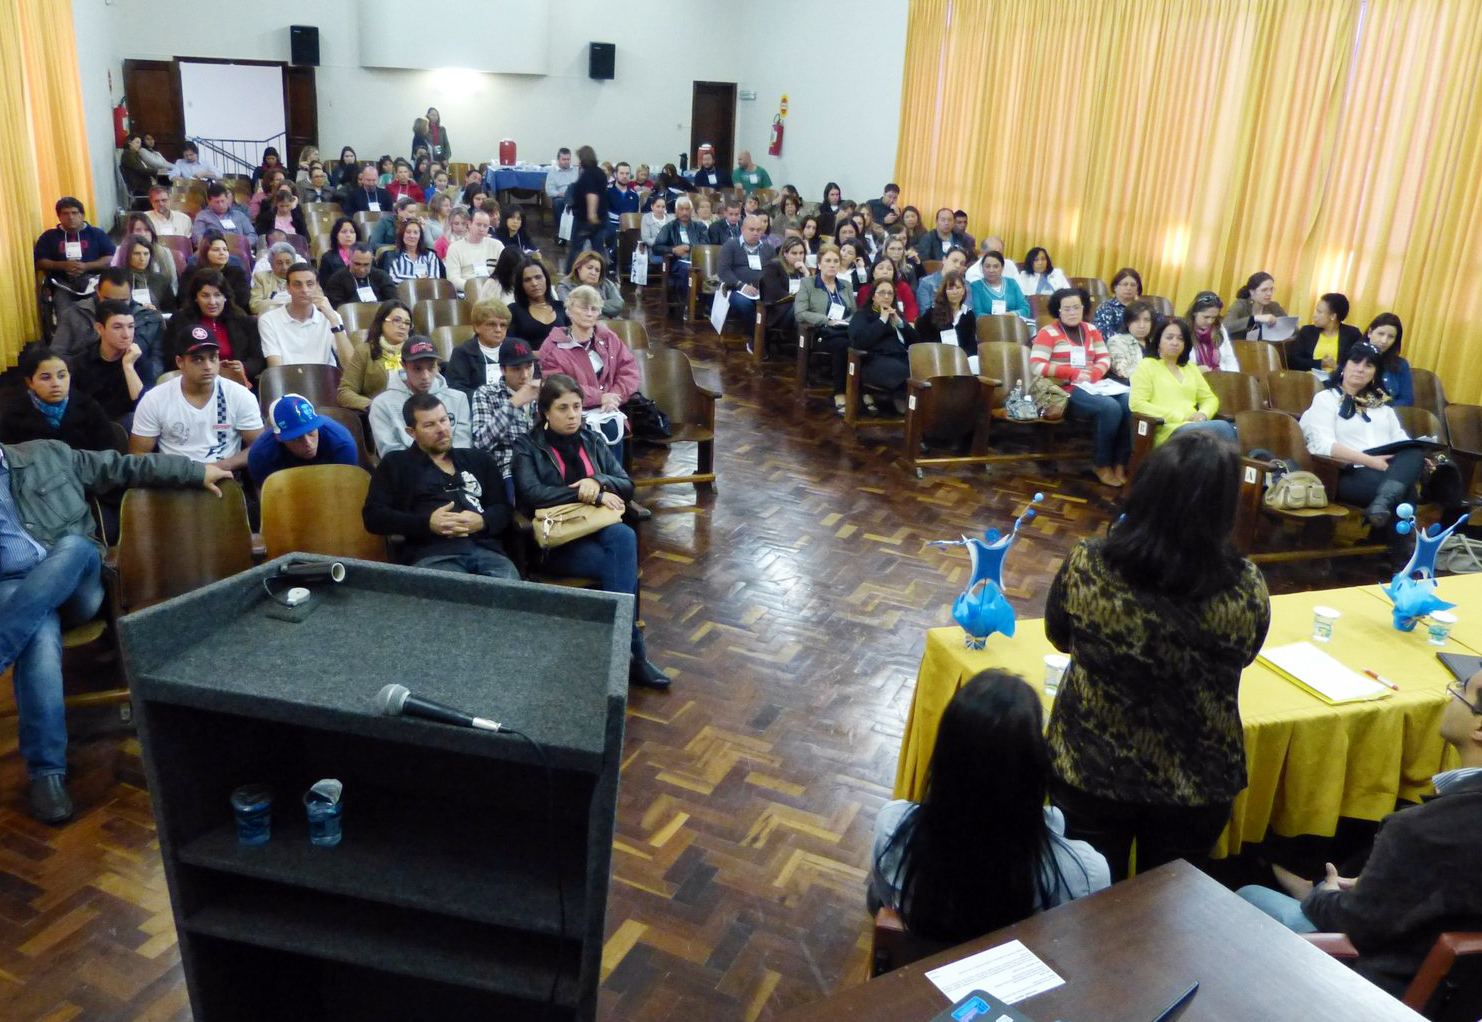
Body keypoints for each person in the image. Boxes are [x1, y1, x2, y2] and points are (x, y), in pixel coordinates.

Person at [1045, 429, 1268, 880]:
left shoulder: (1088, 565)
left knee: (1086, 903)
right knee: (1165, 916)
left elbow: (1059, 637)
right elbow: (1244, 656)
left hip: (1090, 766)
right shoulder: (1245, 586)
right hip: (1197, 779)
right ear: (1224, 510)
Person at [0, 431, 232, 821]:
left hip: (77, 581)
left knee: (73, 546)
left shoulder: (47, 453)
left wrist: (192, 471)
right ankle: (47, 773)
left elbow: (125, 466)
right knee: (38, 636)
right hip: (13, 588)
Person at [1236, 667, 1482, 998]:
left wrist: (1324, 896)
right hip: (1462, 995)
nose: (1451, 695)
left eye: (1462, 691)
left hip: (1377, 990)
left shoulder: (1420, 831)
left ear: (1478, 728)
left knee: (1249, 895)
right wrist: (1381, 885)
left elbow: (1356, 924)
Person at [870, 669, 1110, 942]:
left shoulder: (891, 829)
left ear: (945, 759)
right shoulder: (1087, 873)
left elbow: (888, 901)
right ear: (1035, 768)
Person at [512, 375, 670, 689]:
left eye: (577, 406)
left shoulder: (591, 439)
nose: (572, 415)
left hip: (597, 534)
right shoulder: (527, 446)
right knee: (620, 562)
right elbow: (532, 495)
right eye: (563, 408)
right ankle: (634, 652)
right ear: (545, 412)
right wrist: (589, 494)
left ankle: (620, 650)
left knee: (623, 537)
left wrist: (599, 480)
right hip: (556, 543)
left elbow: (626, 484)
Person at [365, 391, 519, 579]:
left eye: (444, 420)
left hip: (486, 551)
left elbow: (504, 508)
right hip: (432, 555)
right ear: (411, 432)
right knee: (453, 596)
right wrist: (426, 524)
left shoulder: (479, 460)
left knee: (512, 595)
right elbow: (373, 517)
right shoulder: (396, 464)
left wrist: (483, 521)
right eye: (430, 425)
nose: (442, 429)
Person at [1299, 342, 1424, 528]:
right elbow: (1324, 446)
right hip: (1345, 472)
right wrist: (1369, 461)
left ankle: (1382, 507)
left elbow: (1400, 439)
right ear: (1343, 366)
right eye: (1355, 362)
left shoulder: (1382, 408)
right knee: (1407, 493)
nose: (1360, 369)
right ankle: (1392, 546)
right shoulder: (1326, 399)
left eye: (1368, 365)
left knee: (1415, 452)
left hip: (1385, 470)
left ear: (1375, 373)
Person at [1032, 287, 1129, 487]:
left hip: (1095, 385)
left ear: (1083, 308)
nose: (1072, 312)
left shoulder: (1091, 330)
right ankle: (1101, 464)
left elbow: (1104, 358)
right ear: (1057, 311)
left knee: (1128, 403)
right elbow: (1037, 365)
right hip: (1064, 389)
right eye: (1066, 309)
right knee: (1110, 408)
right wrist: (1073, 373)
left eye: (1076, 307)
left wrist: (1092, 375)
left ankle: (1120, 463)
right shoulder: (1048, 332)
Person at [129, 335, 264, 470]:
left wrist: (222, 466)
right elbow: (138, 454)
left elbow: (258, 447)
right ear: (180, 362)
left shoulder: (239, 395)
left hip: (224, 477)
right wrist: (183, 472)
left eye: (213, 358)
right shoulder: (154, 399)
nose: (208, 366)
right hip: (174, 480)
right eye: (198, 359)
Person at [1130, 318, 1236, 447]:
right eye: (1169, 338)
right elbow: (1137, 404)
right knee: (1223, 428)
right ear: (1158, 341)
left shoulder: (1190, 368)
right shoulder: (1147, 365)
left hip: (1195, 426)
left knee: (1225, 430)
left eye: (1180, 339)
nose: (1175, 343)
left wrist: (1203, 414)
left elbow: (1209, 399)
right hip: (1167, 429)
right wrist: (1178, 417)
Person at [369, 337, 472, 454]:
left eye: (431, 367)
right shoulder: (382, 404)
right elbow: (391, 455)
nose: (426, 376)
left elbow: (463, 448)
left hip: (453, 468)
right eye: (417, 369)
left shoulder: (458, 399)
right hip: (407, 470)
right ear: (403, 365)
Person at [0, 345, 114, 451]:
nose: (56, 383)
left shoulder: (89, 408)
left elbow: (108, 457)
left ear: (70, 376)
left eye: (61, 376)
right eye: (45, 378)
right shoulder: (14, 415)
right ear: (30, 382)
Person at [163, 270, 264, 387]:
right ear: (196, 298)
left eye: (217, 295)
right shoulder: (180, 321)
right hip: (193, 383)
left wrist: (243, 367)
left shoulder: (243, 320)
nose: (212, 302)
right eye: (205, 296)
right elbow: (171, 360)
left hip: (235, 383)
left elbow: (258, 359)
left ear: (225, 297)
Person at [471, 336, 542, 503]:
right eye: (517, 368)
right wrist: (514, 404)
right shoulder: (486, 394)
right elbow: (481, 443)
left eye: (529, 367)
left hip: (543, 464)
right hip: (508, 468)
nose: (525, 375)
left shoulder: (543, 391)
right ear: (503, 369)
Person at [246, 394, 358, 486]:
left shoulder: (342, 444)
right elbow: (267, 500)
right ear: (279, 437)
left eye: (311, 433)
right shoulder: (260, 455)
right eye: (296, 438)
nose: (308, 443)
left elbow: (347, 492)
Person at [67, 300, 152, 421]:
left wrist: (128, 367)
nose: (126, 334)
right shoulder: (80, 363)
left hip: (130, 428)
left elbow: (147, 409)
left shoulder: (139, 360)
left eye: (131, 327)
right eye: (117, 327)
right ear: (100, 328)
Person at [796, 244, 857, 410]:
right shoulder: (808, 283)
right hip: (821, 332)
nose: (832, 265)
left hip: (845, 330)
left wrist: (848, 321)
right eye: (828, 261)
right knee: (844, 345)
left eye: (836, 261)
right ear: (819, 264)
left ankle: (861, 391)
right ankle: (839, 393)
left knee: (859, 342)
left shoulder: (846, 285)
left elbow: (854, 312)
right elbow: (800, 313)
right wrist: (826, 320)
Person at [258, 263, 354, 368]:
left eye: (310, 284)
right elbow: (276, 368)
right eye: (297, 284)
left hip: (324, 379)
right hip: (287, 380)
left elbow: (350, 365)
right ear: (288, 288)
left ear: (317, 286)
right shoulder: (269, 320)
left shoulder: (331, 316)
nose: (304, 290)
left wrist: (333, 319)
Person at [35, 198, 116, 319]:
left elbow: (110, 257)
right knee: (65, 312)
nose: (70, 217)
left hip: (94, 281)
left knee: (100, 310)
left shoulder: (96, 234)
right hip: (62, 284)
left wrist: (86, 266)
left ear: (82, 215)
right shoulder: (49, 236)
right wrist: (62, 265)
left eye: (74, 213)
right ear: (59, 217)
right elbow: (40, 262)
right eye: (65, 213)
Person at [848, 280, 919, 411]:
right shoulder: (862, 315)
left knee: (922, 370)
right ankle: (904, 403)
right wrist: (882, 320)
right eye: (882, 293)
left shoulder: (896, 315)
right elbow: (859, 342)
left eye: (890, 293)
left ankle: (910, 405)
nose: (886, 296)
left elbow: (915, 342)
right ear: (874, 296)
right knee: (907, 372)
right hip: (874, 360)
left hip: (901, 357)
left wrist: (900, 323)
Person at [338, 300, 412, 411]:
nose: (403, 326)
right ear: (381, 322)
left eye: (407, 323)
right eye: (397, 320)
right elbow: (345, 393)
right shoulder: (364, 351)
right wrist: (375, 405)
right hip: (381, 416)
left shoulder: (416, 351)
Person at [444, 298, 512, 398]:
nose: (498, 330)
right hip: (477, 409)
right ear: (477, 327)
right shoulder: (463, 353)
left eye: (503, 325)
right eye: (492, 324)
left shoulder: (515, 349)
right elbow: (456, 390)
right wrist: (488, 399)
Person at [718, 215, 776, 322]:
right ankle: (755, 334)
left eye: (758, 230)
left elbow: (774, 272)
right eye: (751, 229)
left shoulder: (768, 248)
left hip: (763, 291)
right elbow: (723, 271)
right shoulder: (730, 245)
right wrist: (742, 287)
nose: (755, 233)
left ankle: (767, 332)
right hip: (737, 289)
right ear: (742, 230)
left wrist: (767, 288)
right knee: (743, 303)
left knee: (779, 303)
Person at [1290, 293, 1364, 376]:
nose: (1314, 315)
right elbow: (1294, 361)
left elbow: (1359, 363)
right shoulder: (1307, 331)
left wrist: (1336, 367)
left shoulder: (1352, 334)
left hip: (1337, 382)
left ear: (1332, 316)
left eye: (1319, 312)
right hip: (1309, 380)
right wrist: (1320, 363)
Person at [564, 146, 609, 273]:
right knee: (599, 250)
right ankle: (602, 276)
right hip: (601, 217)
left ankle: (569, 276)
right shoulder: (600, 172)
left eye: (580, 158)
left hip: (586, 220)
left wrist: (591, 215)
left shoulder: (588, 175)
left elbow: (592, 195)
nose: (579, 162)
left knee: (575, 250)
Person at [758, 237, 809, 346]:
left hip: (799, 308)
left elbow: (814, 293)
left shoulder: (801, 270)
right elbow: (774, 293)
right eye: (794, 253)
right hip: (780, 311)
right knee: (801, 308)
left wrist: (806, 274)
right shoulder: (773, 266)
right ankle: (803, 348)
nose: (798, 257)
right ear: (785, 254)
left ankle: (807, 347)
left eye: (801, 253)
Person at [445, 208, 504, 297]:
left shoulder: (497, 245)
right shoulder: (454, 248)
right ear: (469, 224)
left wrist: (490, 287)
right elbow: (453, 279)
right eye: (478, 224)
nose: (481, 229)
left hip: (494, 292)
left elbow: (506, 273)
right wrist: (475, 287)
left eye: (485, 226)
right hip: (467, 292)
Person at [183, 232, 251, 311]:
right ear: (205, 252)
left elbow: (243, 300)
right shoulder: (193, 272)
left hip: (230, 314)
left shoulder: (236, 272)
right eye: (216, 250)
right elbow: (185, 298)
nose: (222, 253)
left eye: (225, 250)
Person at [914, 270, 976, 356]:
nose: (955, 292)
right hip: (937, 357)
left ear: (963, 291)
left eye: (958, 288)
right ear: (944, 291)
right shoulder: (931, 314)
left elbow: (971, 345)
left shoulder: (969, 315)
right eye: (950, 289)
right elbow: (923, 340)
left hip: (963, 359)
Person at [510, 258, 570, 346]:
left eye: (538, 277)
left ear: (546, 279)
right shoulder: (513, 311)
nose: (534, 283)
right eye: (527, 280)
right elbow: (512, 346)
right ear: (520, 284)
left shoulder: (560, 307)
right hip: (529, 359)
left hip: (563, 358)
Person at [324, 243, 397, 308]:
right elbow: (338, 308)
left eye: (366, 265)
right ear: (349, 259)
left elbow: (393, 303)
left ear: (372, 260)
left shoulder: (382, 277)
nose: (362, 269)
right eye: (357, 264)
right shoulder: (337, 280)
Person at [556, 250, 625, 319]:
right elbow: (570, 308)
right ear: (578, 268)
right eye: (589, 268)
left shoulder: (607, 284)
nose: (593, 273)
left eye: (597, 270)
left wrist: (587, 304)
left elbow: (618, 305)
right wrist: (603, 309)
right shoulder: (564, 286)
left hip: (606, 325)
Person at [968, 250, 1031, 323]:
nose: (991, 270)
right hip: (987, 327)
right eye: (987, 266)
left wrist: (1012, 314)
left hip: (1013, 325)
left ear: (1002, 268)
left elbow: (1025, 309)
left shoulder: (1012, 283)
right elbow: (977, 313)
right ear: (982, 267)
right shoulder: (976, 286)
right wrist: (998, 319)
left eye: (996, 266)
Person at [1366, 313, 1414, 407]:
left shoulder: (1401, 364)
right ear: (1370, 332)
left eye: (1391, 337)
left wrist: (1381, 407)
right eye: (1381, 334)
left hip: (1387, 415)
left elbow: (1407, 400)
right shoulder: (1353, 358)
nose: (1384, 341)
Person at [118, 234, 176, 312]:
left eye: (146, 254)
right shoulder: (118, 280)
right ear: (127, 255)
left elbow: (170, 310)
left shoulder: (161, 280)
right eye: (137, 254)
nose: (142, 258)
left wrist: (155, 312)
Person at [378, 218, 445, 285]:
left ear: (420, 236)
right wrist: (419, 278)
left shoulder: (430, 255)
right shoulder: (392, 255)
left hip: (425, 293)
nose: (412, 236)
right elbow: (394, 278)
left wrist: (408, 279)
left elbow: (434, 279)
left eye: (416, 232)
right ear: (402, 234)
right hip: (401, 294)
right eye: (408, 232)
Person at [1104, 298, 1155, 385]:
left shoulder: (1156, 343)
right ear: (1127, 322)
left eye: (1146, 320)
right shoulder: (1116, 341)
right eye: (1136, 320)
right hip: (1128, 387)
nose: (1142, 325)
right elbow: (1122, 372)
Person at [1224, 271, 1288, 339]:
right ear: (1252, 291)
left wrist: (1278, 326)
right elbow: (1225, 327)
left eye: (1271, 289)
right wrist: (1254, 318)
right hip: (1239, 347)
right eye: (1264, 290)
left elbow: (1292, 329)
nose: (1269, 293)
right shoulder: (1240, 304)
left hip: (1264, 347)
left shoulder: (1274, 306)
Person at [1185, 291, 1238, 372]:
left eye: (1213, 317)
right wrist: (1195, 370)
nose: (1210, 321)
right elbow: (1178, 364)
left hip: (1220, 378)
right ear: (1194, 312)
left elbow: (1229, 359)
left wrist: (1232, 380)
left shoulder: (1220, 329)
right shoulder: (1183, 330)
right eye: (1206, 317)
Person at [190, 183, 256, 247]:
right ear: (209, 202)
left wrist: (242, 244)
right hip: (213, 249)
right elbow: (197, 237)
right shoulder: (203, 216)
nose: (221, 205)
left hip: (238, 249)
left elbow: (252, 235)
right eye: (217, 202)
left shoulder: (240, 216)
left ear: (227, 199)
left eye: (222, 201)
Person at [858, 256, 920, 323]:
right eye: (881, 268)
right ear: (873, 272)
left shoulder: (903, 287)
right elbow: (863, 313)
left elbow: (911, 308)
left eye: (889, 269)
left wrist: (906, 324)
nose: (885, 271)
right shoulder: (865, 290)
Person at [248, 241, 298, 315]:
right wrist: (280, 301)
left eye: (288, 262)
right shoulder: (261, 278)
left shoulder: (303, 277)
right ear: (271, 265)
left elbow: (317, 300)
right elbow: (254, 306)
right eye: (279, 263)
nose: (284, 267)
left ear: (294, 263)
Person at [1093, 268, 1142, 342]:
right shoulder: (1105, 308)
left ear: (1138, 289)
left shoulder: (1143, 309)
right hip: (1115, 349)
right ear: (1115, 287)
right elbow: (1107, 335)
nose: (1128, 288)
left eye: (1133, 285)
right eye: (1125, 284)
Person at [317, 218, 360, 287]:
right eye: (344, 232)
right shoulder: (328, 258)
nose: (348, 235)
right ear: (336, 235)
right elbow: (324, 284)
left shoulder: (365, 255)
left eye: (352, 232)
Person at [545, 147, 579, 234]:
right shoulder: (552, 172)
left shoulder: (576, 171)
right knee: (558, 203)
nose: (566, 161)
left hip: (575, 197)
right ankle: (563, 233)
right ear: (558, 160)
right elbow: (549, 190)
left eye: (568, 159)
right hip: (561, 197)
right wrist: (561, 194)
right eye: (564, 159)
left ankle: (576, 232)